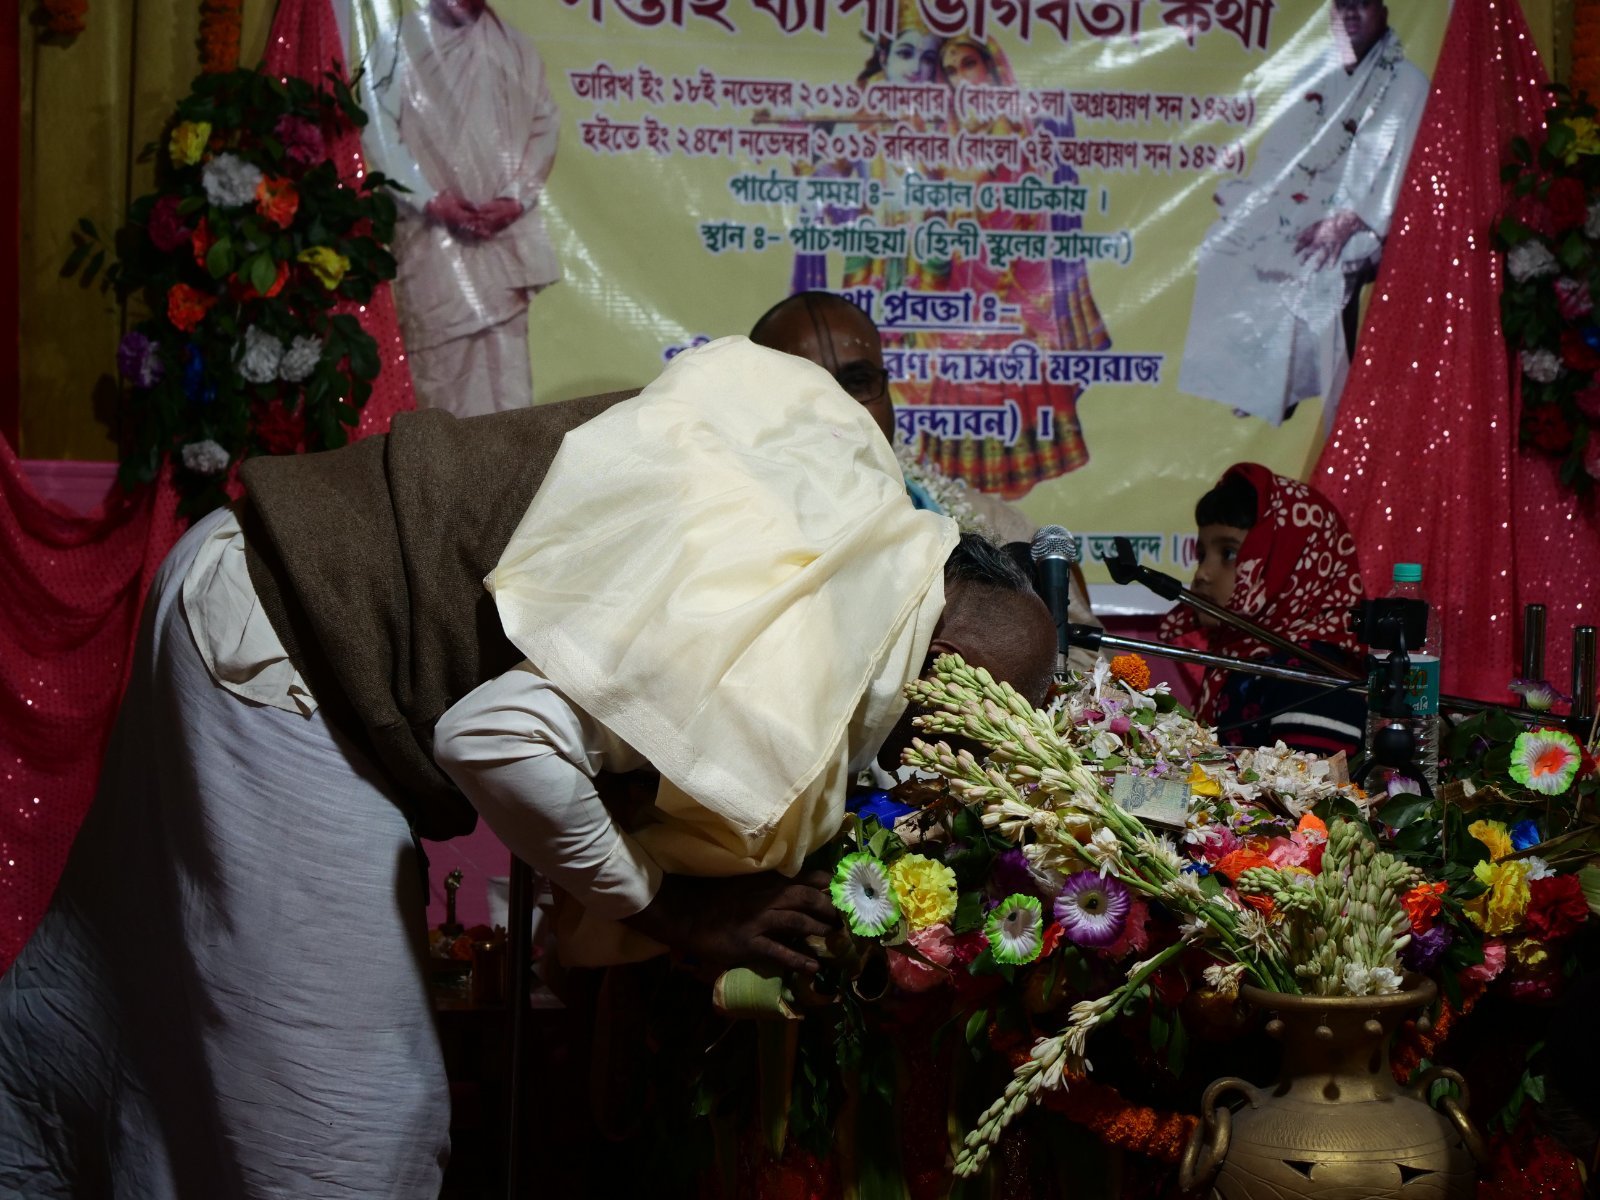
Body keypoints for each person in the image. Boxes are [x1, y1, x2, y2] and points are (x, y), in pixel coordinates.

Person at [0, 337, 1057, 1197]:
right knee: (355, 1139)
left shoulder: (858, 520)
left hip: (247, 571)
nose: (941, 776)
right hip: (290, 651)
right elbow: (496, 739)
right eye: (962, 744)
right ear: (943, 664)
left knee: (93, 1022)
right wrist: (673, 910)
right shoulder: (807, 647)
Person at [749, 290, 1103, 674]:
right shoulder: (734, 536)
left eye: (858, 382)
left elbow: (1084, 663)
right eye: (810, 389)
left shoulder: (997, 528)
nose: (842, 407)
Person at [1177, 0, 1428, 431]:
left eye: (1362, 5)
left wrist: (1346, 220)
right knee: (1223, 242)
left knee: (1318, 263)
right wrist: (1259, 199)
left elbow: (1401, 173)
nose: (1350, 14)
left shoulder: (1407, 83)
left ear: (1383, 11)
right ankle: (1254, 382)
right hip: (1299, 198)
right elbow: (1279, 151)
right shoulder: (1313, 73)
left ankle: (1320, 395)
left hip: (1366, 218)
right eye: (1342, 6)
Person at [359, 0, 560, 417]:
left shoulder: (514, 47)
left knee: (505, 384)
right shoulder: (397, 44)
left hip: (503, 246)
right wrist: (428, 198)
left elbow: (544, 125)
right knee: (441, 382)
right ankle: (445, 463)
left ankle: (506, 461)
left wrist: (514, 199)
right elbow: (376, 128)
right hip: (431, 242)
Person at [1159, 463, 1366, 756]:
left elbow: (1310, 785)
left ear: (1289, 563)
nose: (1203, 573)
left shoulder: (1312, 678)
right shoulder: (1241, 661)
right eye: (1201, 555)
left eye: (1229, 553)